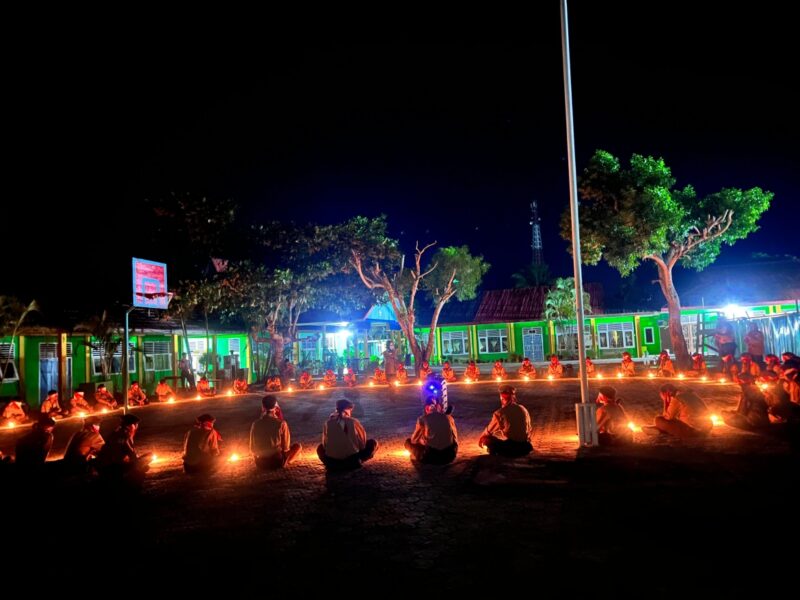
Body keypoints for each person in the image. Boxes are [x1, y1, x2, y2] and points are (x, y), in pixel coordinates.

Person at [317, 399, 378, 470]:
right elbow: (362, 444)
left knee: (320, 448)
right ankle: (358, 461)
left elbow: (325, 444)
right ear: (348, 409)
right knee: (373, 443)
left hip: (332, 463)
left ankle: (335, 465)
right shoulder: (353, 422)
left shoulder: (328, 423)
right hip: (352, 461)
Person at [478, 385, 533, 457]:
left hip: (511, 448)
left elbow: (489, 431)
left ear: (501, 397)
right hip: (526, 447)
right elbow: (529, 430)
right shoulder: (523, 408)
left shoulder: (500, 413)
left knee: (486, 439)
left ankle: (497, 453)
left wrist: (482, 438)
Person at [95, 414, 151, 484]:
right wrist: (140, 463)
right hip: (111, 467)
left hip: (106, 465)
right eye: (135, 424)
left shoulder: (118, 433)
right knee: (142, 467)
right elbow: (131, 454)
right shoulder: (124, 435)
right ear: (130, 425)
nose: (136, 427)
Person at [250, 395, 301, 470]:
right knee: (298, 446)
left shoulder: (255, 424)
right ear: (276, 407)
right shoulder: (281, 423)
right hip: (276, 462)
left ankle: (283, 461)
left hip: (260, 463)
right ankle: (286, 462)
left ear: (263, 407)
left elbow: (252, 448)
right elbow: (286, 448)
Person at [404, 395, 458, 464]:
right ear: (439, 407)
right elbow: (455, 438)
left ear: (426, 408)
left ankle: (417, 455)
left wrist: (422, 441)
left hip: (431, 457)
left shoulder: (423, 419)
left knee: (407, 443)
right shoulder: (448, 418)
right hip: (450, 456)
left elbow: (414, 440)